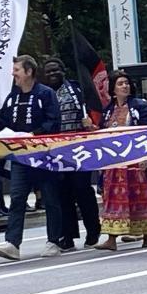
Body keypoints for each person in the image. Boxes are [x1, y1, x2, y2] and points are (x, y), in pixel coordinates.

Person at [0, 54, 63, 260]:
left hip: (44, 155)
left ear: (29, 72)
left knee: (51, 198)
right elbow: (6, 124)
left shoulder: (46, 94)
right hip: (20, 157)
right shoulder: (13, 96)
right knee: (17, 197)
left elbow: (53, 122)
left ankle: (54, 240)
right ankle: (12, 242)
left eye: (17, 70)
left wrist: (33, 136)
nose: (13, 74)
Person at [94, 70, 147, 251]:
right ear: (113, 89)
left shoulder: (140, 106)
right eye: (120, 83)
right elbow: (102, 133)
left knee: (142, 197)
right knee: (112, 200)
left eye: (126, 83)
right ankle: (112, 239)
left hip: (136, 160)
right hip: (114, 164)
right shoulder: (108, 110)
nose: (125, 86)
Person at [43, 57, 102, 251]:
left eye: (55, 71)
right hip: (56, 151)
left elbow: (95, 108)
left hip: (78, 149)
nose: (52, 74)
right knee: (63, 194)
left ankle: (93, 231)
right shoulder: (45, 95)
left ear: (63, 71)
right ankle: (67, 235)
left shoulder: (77, 90)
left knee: (82, 190)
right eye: (49, 72)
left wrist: (90, 123)